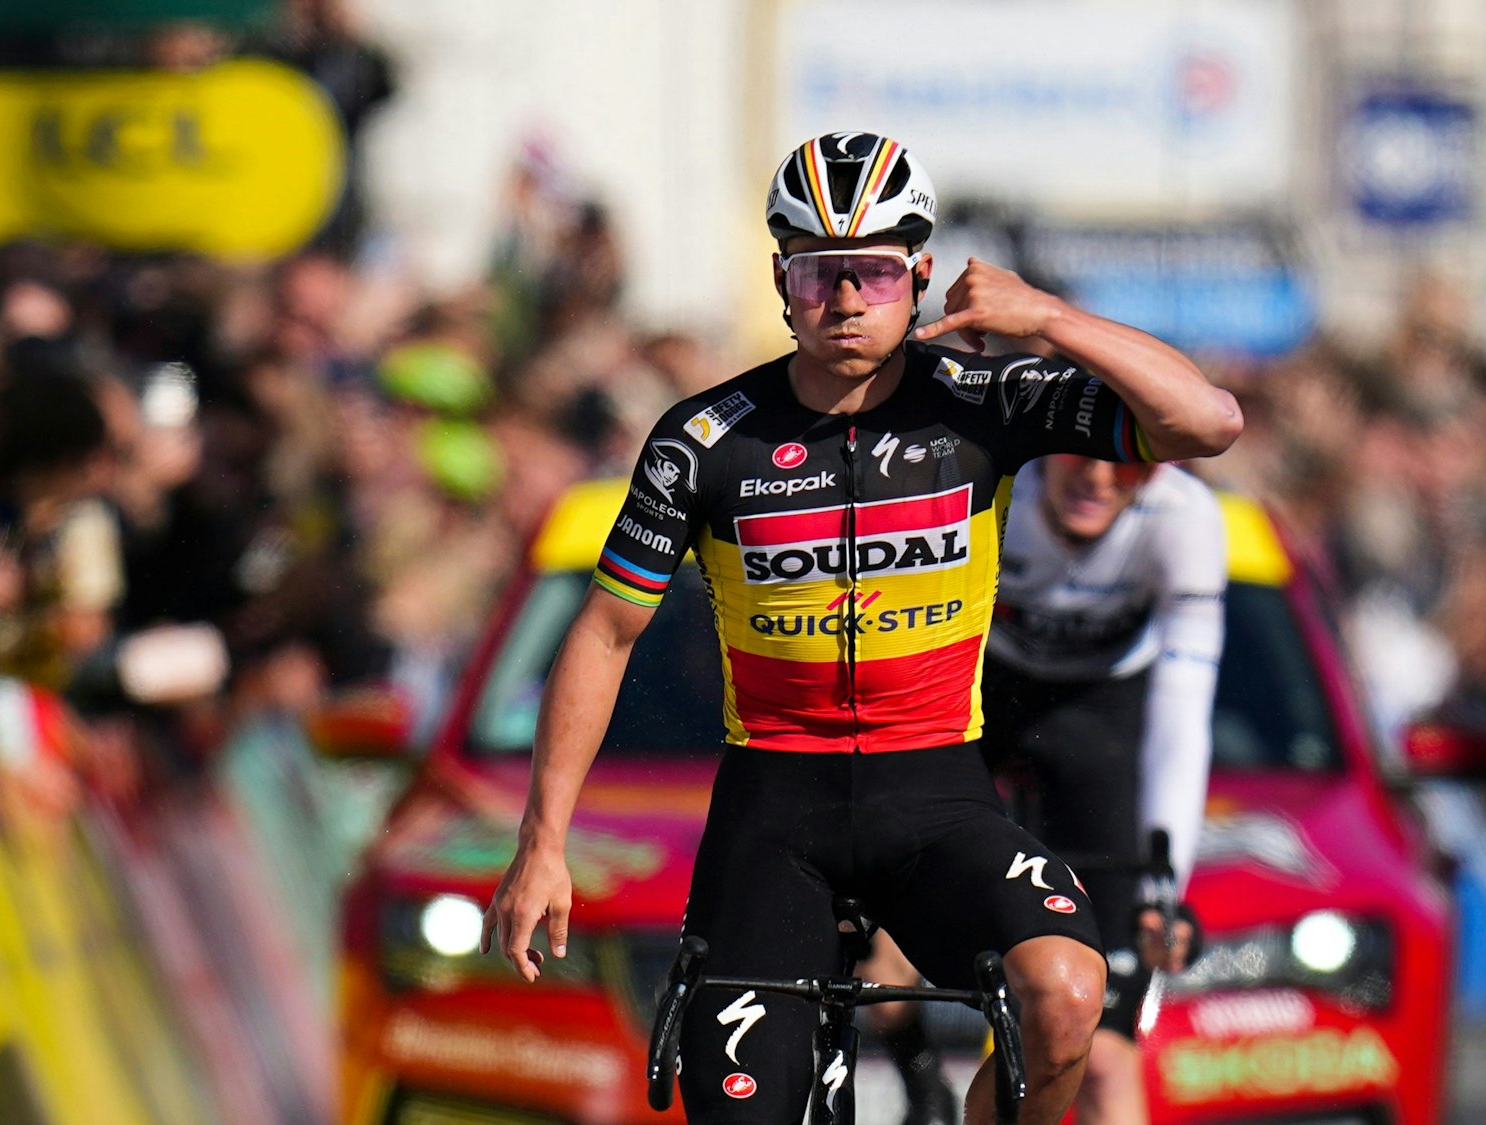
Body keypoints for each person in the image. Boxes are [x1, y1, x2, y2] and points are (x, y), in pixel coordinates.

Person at [479, 131, 1242, 1125]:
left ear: (920, 276)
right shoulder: (703, 439)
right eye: (817, 274)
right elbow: (605, 635)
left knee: (1063, 996)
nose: (845, 302)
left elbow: (1207, 422)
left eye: (874, 274)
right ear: (779, 279)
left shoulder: (981, 405)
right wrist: (542, 843)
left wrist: (1047, 320)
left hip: (933, 797)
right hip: (773, 815)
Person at [868, 453, 1227, 1125]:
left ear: (1156, 476)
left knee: (1109, 1058)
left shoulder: (1187, 517)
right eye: (1077, 458)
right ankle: (922, 1081)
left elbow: (1182, 712)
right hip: (973, 691)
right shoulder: (994, 479)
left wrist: (1162, 887)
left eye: (1128, 470)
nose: (1097, 478)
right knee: (881, 967)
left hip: (1102, 713)